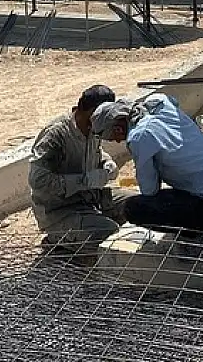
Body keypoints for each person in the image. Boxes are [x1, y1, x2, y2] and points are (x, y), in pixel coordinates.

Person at [91, 93, 203, 241]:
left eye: (115, 137)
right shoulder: (159, 102)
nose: (119, 141)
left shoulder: (139, 137)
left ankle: (201, 232)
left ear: (119, 128)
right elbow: (173, 101)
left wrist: (155, 166)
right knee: (187, 190)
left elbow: (149, 191)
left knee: (135, 208)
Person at [28, 84, 133, 249]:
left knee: (137, 205)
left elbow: (97, 151)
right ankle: (57, 238)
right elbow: (38, 181)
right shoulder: (56, 135)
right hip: (60, 210)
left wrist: (107, 163)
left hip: (91, 198)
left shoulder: (95, 127)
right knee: (108, 233)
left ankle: (92, 221)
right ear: (91, 112)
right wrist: (84, 181)